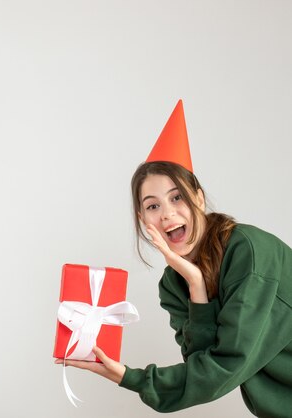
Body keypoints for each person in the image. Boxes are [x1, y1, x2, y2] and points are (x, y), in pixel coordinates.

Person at [55, 100, 292, 418]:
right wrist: (196, 284)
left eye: (177, 197)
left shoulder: (247, 251)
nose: (167, 214)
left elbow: (223, 367)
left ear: (199, 197)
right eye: (153, 206)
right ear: (143, 219)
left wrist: (131, 378)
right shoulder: (173, 285)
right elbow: (200, 364)